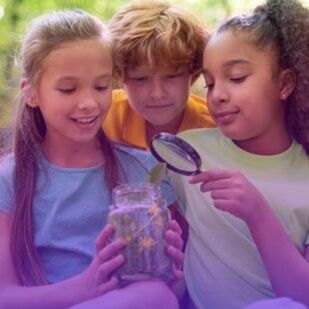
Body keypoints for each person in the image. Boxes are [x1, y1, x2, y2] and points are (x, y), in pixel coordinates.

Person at [0, 9, 184, 308]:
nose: (88, 103)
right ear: (32, 93)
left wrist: (174, 273)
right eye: (68, 89)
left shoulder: (143, 171)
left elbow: (171, 296)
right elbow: (4, 297)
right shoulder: (10, 179)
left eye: (101, 86)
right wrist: (85, 287)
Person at [168, 0, 309, 308]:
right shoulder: (188, 153)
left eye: (236, 78)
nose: (217, 95)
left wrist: (257, 213)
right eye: (210, 82)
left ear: (284, 83)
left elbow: (303, 296)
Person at [103, 0, 215, 149]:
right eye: (140, 79)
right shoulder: (103, 118)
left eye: (171, 76)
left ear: (193, 72)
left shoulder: (216, 129)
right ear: (119, 74)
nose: (157, 94)